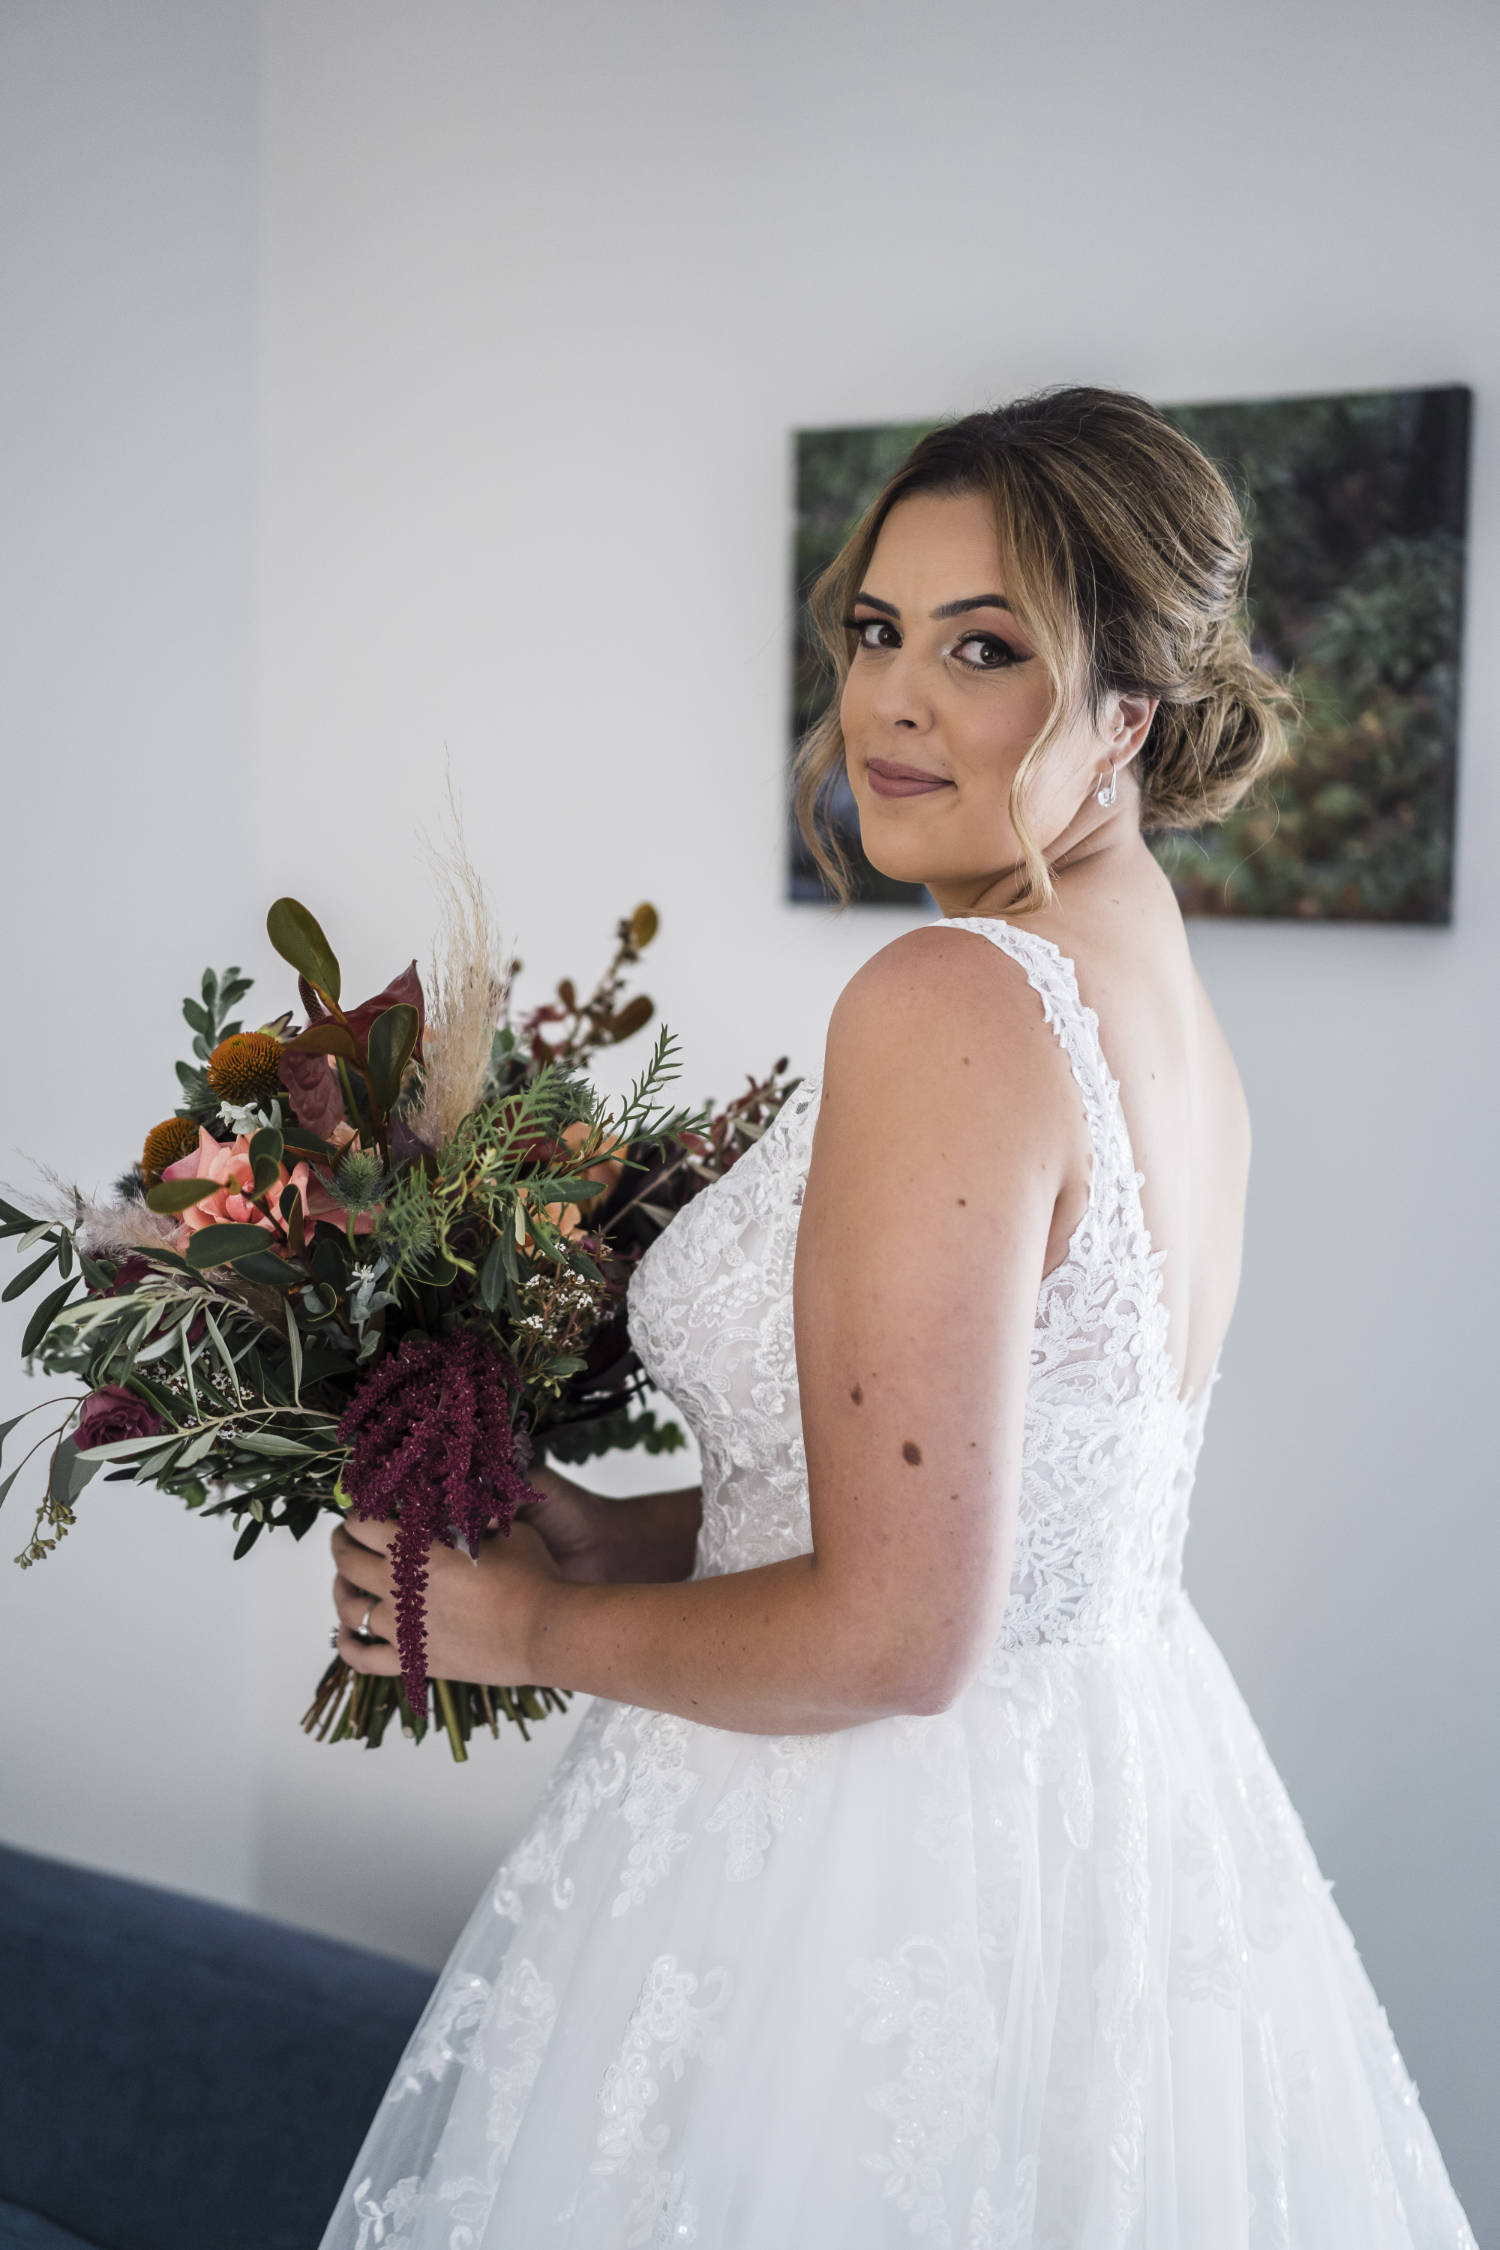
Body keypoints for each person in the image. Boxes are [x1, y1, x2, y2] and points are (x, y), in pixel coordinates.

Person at [318, 387, 1478, 2248]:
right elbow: (1004, 1524)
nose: (895, 700)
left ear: (1133, 717)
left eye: (985, 647)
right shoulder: (1171, 1022)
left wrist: (517, 1623)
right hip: (1104, 1845)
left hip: (860, 1884)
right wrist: (623, 1543)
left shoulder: (949, 997)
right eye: (877, 631)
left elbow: (897, 1631)